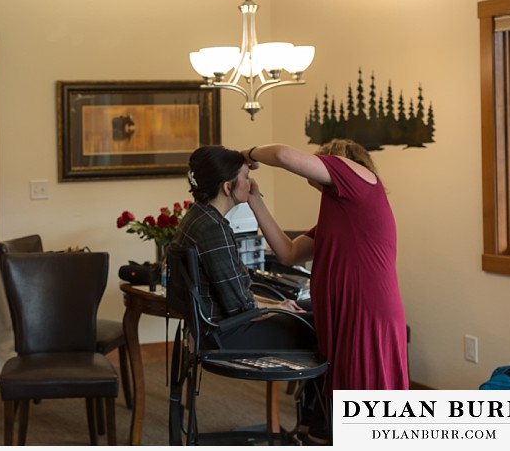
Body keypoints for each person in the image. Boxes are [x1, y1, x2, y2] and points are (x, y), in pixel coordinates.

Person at [170, 144, 328, 444]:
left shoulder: (197, 219)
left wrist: (276, 304)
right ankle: (316, 429)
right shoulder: (214, 230)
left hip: (211, 328)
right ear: (228, 187)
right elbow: (240, 304)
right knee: (323, 328)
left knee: (306, 314)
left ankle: (311, 425)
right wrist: (277, 308)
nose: (251, 184)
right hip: (226, 335)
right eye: (245, 177)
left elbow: (234, 293)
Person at [240, 140, 409, 394]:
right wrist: (255, 201)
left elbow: (284, 155)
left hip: (365, 311)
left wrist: (247, 154)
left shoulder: (360, 179)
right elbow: (289, 253)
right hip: (342, 312)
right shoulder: (344, 212)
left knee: (362, 394)